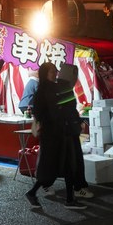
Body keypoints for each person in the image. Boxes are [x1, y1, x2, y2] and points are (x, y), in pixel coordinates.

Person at [24, 62, 87, 210]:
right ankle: (32, 192)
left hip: (63, 133)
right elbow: (39, 113)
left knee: (68, 165)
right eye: (51, 71)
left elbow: (67, 108)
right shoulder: (42, 92)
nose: (55, 73)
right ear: (44, 73)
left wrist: (74, 121)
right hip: (51, 135)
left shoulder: (58, 88)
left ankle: (70, 199)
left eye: (55, 70)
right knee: (50, 167)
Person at [56, 64, 94, 200]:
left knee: (65, 161)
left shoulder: (55, 87)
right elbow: (70, 111)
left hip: (61, 131)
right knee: (75, 160)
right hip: (69, 132)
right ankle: (78, 188)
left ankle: (46, 185)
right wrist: (77, 125)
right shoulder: (65, 88)